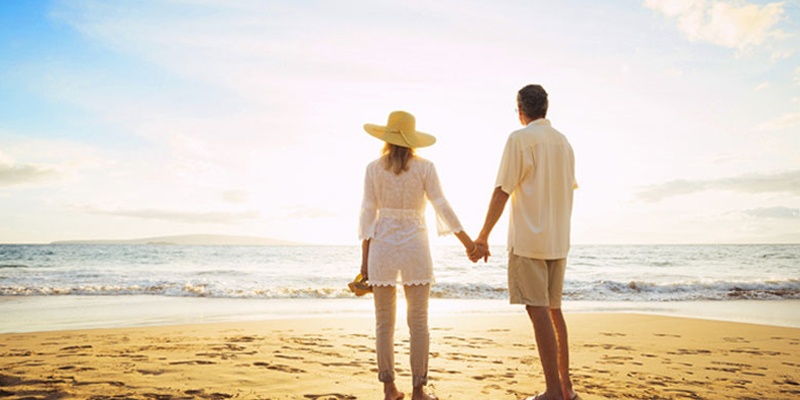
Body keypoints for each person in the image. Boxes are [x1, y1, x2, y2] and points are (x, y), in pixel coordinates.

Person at [469, 84, 579, 400]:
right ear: (546, 108)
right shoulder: (564, 143)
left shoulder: (519, 139)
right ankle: (566, 387)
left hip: (530, 239)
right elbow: (567, 188)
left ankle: (555, 391)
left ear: (520, 112)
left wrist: (483, 236)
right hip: (558, 239)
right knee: (554, 310)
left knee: (539, 311)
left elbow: (502, 189)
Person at [359, 110, 477, 400]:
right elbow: (441, 205)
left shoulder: (373, 168)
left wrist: (364, 261)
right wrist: (468, 242)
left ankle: (389, 389)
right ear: (412, 140)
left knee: (384, 322)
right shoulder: (425, 167)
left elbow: (367, 215)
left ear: (386, 138)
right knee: (419, 321)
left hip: (382, 249)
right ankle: (418, 390)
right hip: (415, 248)